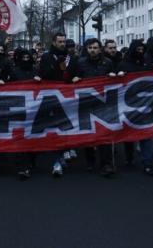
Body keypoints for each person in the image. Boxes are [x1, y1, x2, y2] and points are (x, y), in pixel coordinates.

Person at [73, 38, 119, 177]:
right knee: (89, 133)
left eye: (95, 47)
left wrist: (113, 76)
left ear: (100, 49)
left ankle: (106, 164)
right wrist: (74, 79)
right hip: (86, 103)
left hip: (103, 104)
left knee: (104, 134)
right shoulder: (80, 63)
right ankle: (90, 161)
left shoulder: (108, 63)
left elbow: (116, 80)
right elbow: (70, 79)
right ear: (87, 49)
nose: (93, 50)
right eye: (90, 48)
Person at [117, 39, 153, 176]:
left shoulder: (147, 64)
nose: (140, 52)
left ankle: (148, 163)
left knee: (147, 134)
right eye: (138, 50)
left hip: (146, 105)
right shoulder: (123, 64)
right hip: (128, 105)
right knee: (129, 134)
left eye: (142, 50)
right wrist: (119, 76)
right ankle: (129, 158)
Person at [38, 32, 75, 177]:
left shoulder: (70, 57)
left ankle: (64, 152)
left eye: (64, 42)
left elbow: (75, 72)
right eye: (59, 42)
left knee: (66, 127)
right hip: (52, 97)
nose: (62, 44)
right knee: (55, 129)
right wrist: (55, 64)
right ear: (54, 42)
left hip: (68, 97)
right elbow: (43, 74)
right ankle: (56, 160)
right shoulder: (47, 57)